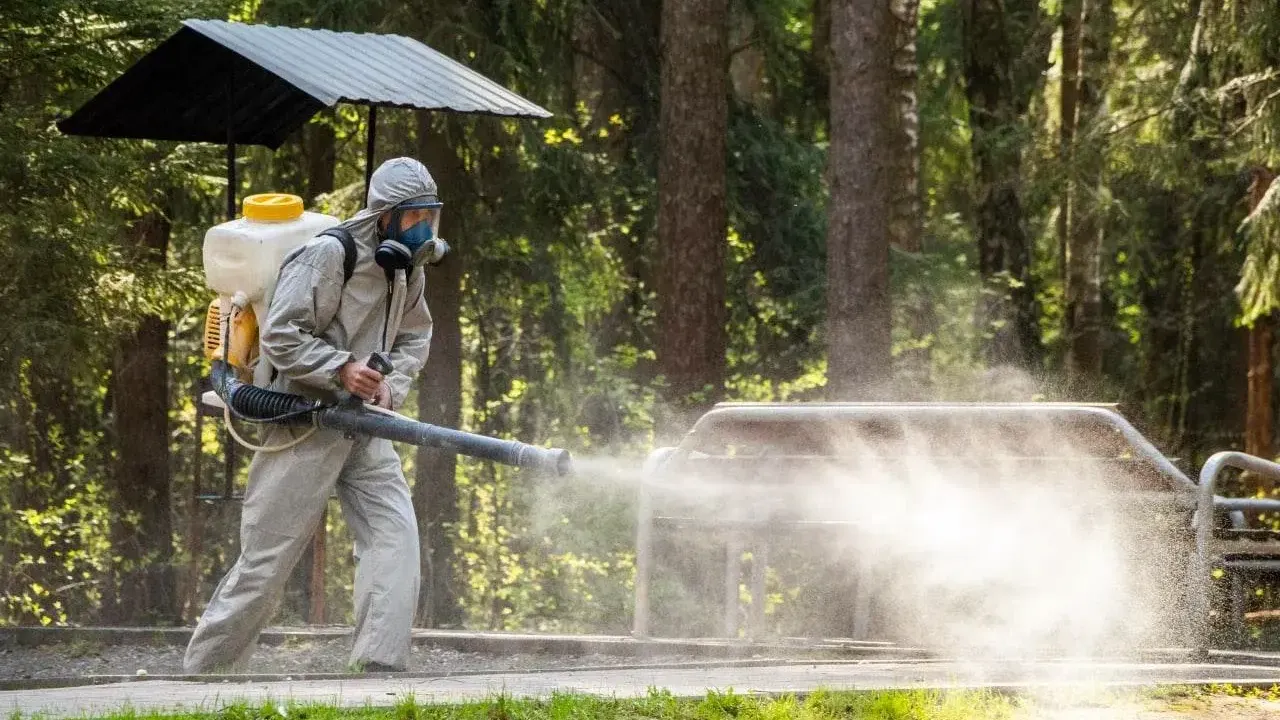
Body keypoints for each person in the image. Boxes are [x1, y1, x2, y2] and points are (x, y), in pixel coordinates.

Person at [184, 157, 443, 674]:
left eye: (431, 218)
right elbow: (281, 335)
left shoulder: (407, 269)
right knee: (267, 560)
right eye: (415, 219)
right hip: (305, 425)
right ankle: (205, 674)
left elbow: (416, 334)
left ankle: (378, 668)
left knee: (395, 537)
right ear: (384, 217)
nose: (425, 231)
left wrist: (390, 386)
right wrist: (341, 369)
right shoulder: (328, 256)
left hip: (367, 428)